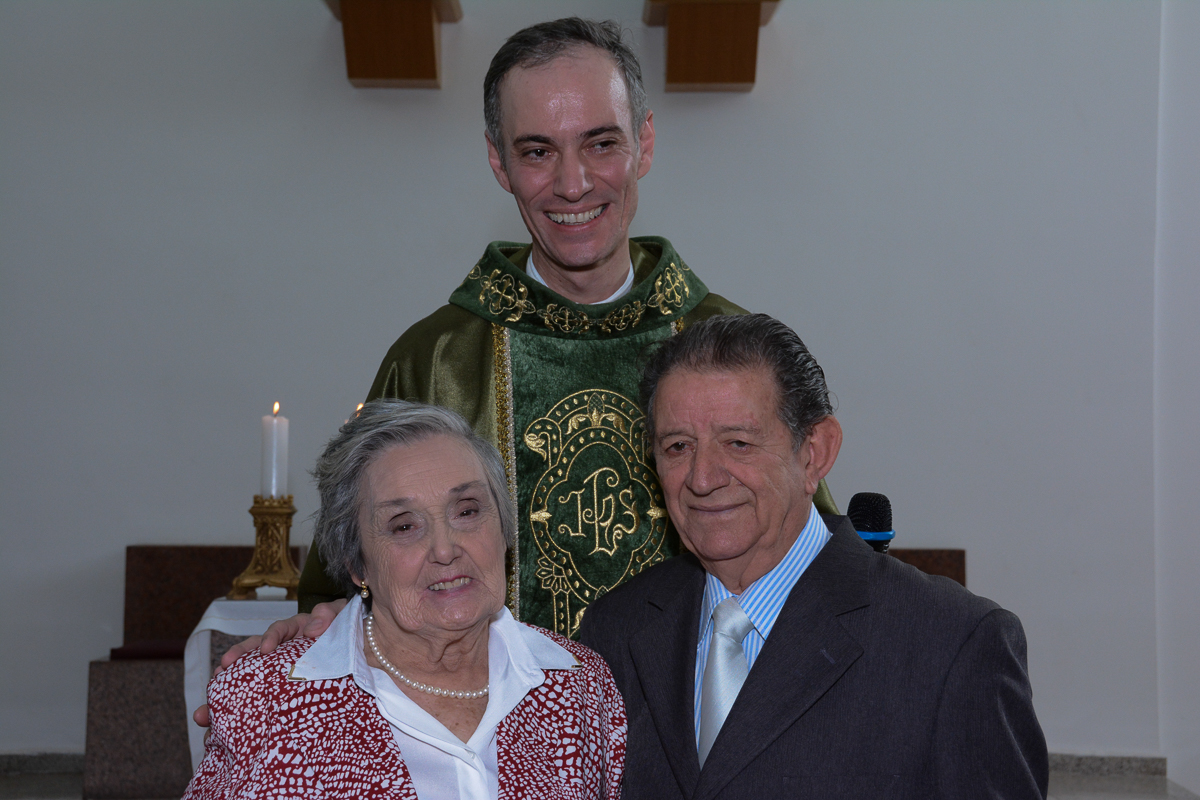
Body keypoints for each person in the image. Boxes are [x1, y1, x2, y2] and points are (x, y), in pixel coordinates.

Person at [293, 17, 837, 637]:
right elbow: (345, 590)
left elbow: (817, 562)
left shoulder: (731, 347)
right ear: (499, 162)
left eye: (602, 143)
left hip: (709, 719)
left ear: (646, 141)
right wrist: (321, 623)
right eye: (537, 152)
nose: (573, 183)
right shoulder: (436, 359)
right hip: (494, 727)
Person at [577, 314, 1048, 798]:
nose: (702, 477)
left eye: (738, 443)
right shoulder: (615, 630)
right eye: (678, 446)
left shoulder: (954, 645)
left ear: (815, 453)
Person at [186, 401, 626, 799]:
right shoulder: (267, 701)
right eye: (403, 526)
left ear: (505, 530)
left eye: (467, 510)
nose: (445, 548)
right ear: (357, 564)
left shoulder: (580, 687)